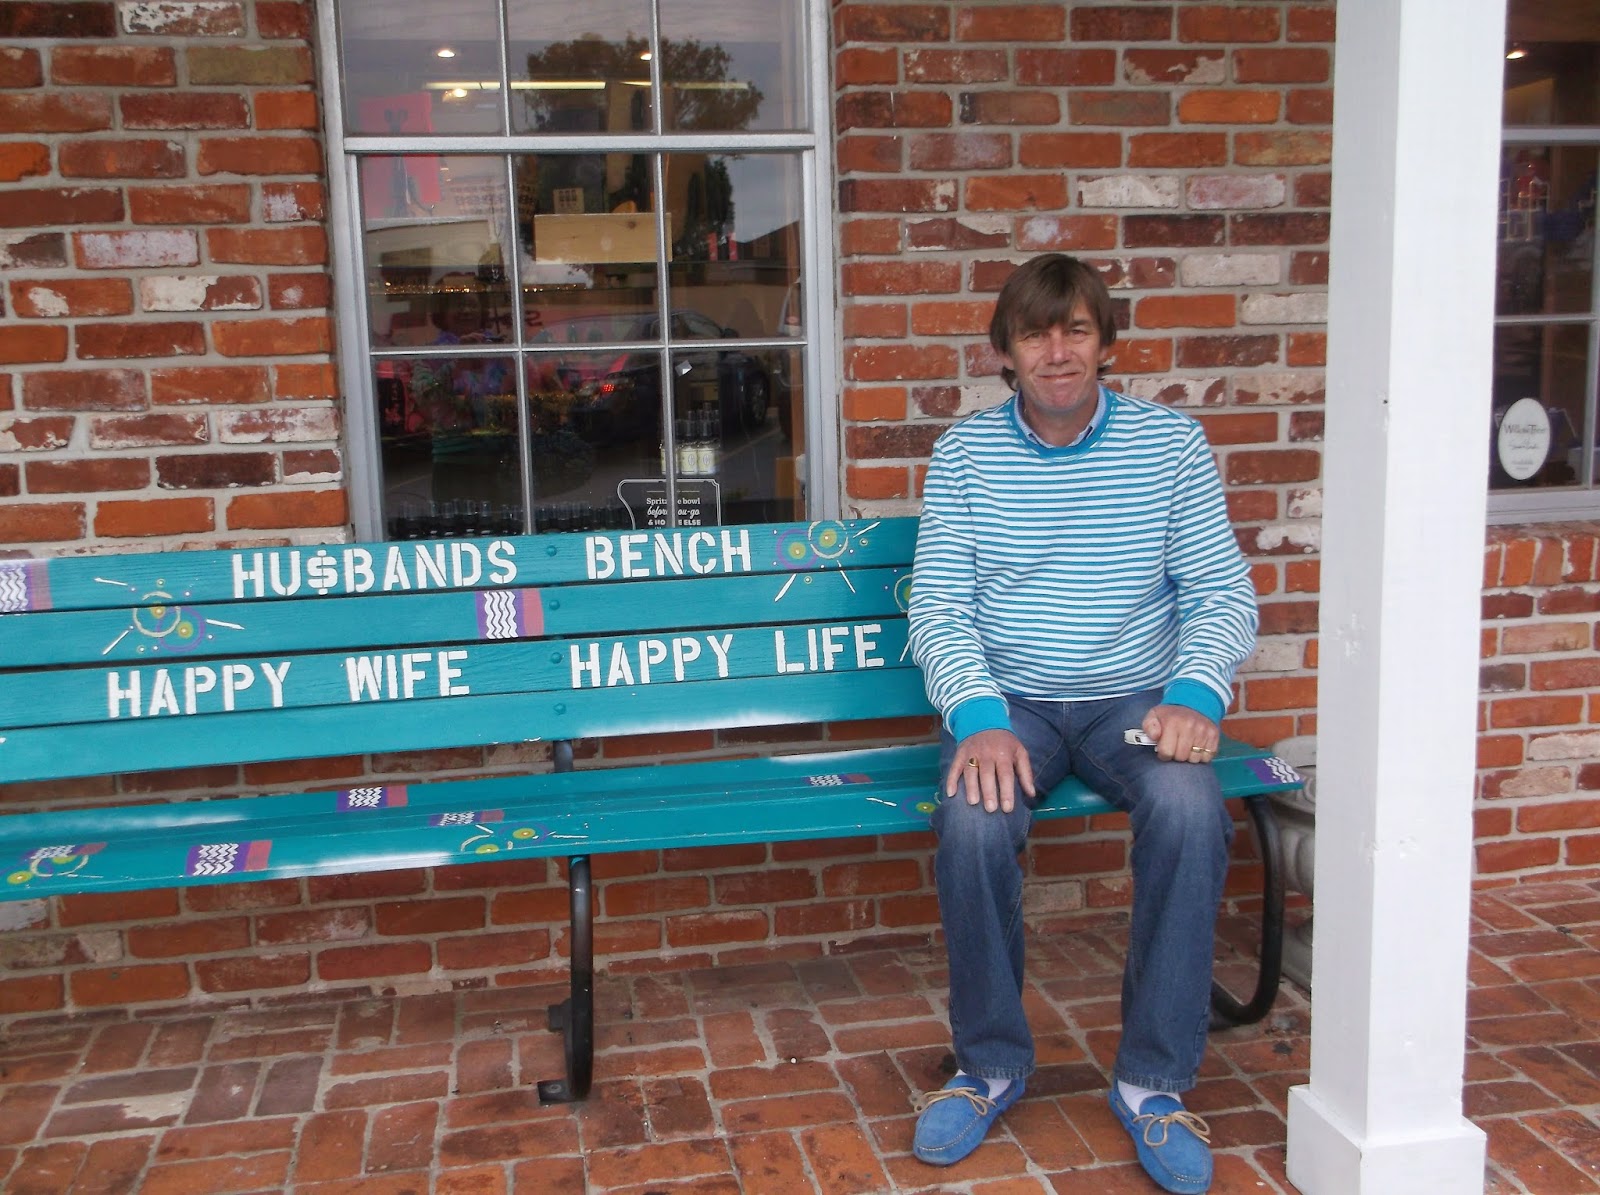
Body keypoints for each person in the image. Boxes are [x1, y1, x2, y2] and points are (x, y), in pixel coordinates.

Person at [906, 253, 1258, 1194]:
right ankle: (989, 1064)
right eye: (1035, 334)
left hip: (1133, 699)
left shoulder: (1170, 445)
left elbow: (1221, 592)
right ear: (1005, 353)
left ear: (1105, 344)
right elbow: (938, 605)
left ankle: (1153, 1081)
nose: (1056, 351)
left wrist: (1196, 693)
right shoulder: (965, 455)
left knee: (1190, 809)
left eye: (1076, 330)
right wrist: (978, 716)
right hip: (1010, 700)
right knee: (972, 822)